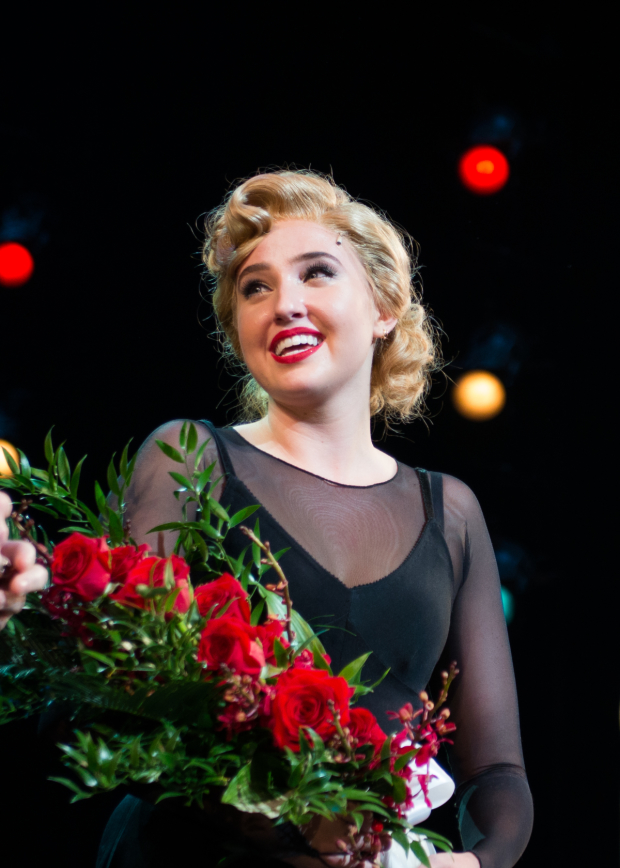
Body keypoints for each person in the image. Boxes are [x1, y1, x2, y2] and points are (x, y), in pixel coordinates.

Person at [0, 170, 533, 868]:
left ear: (384, 307)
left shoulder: (452, 511)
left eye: (317, 273)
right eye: (255, 287)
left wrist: (478, 862)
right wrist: (292, 831)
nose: (285, 305)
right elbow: (116, 697)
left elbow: (497, 771)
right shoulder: (190, 459)